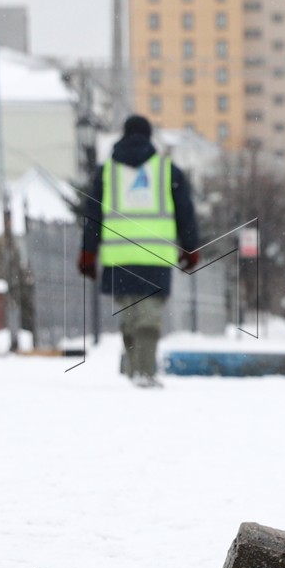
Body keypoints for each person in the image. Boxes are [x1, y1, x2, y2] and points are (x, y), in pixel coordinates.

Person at [77, 115, 201, 387]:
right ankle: (142, 374)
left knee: (131, 318)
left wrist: (88, 252)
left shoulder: (106, 172)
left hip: (118, 259)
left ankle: (135, 371)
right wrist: (190, 248)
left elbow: (93, 215)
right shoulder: (168, 171)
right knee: (149, 318)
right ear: (148, 137)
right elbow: (186, 214)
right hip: (155, 259)